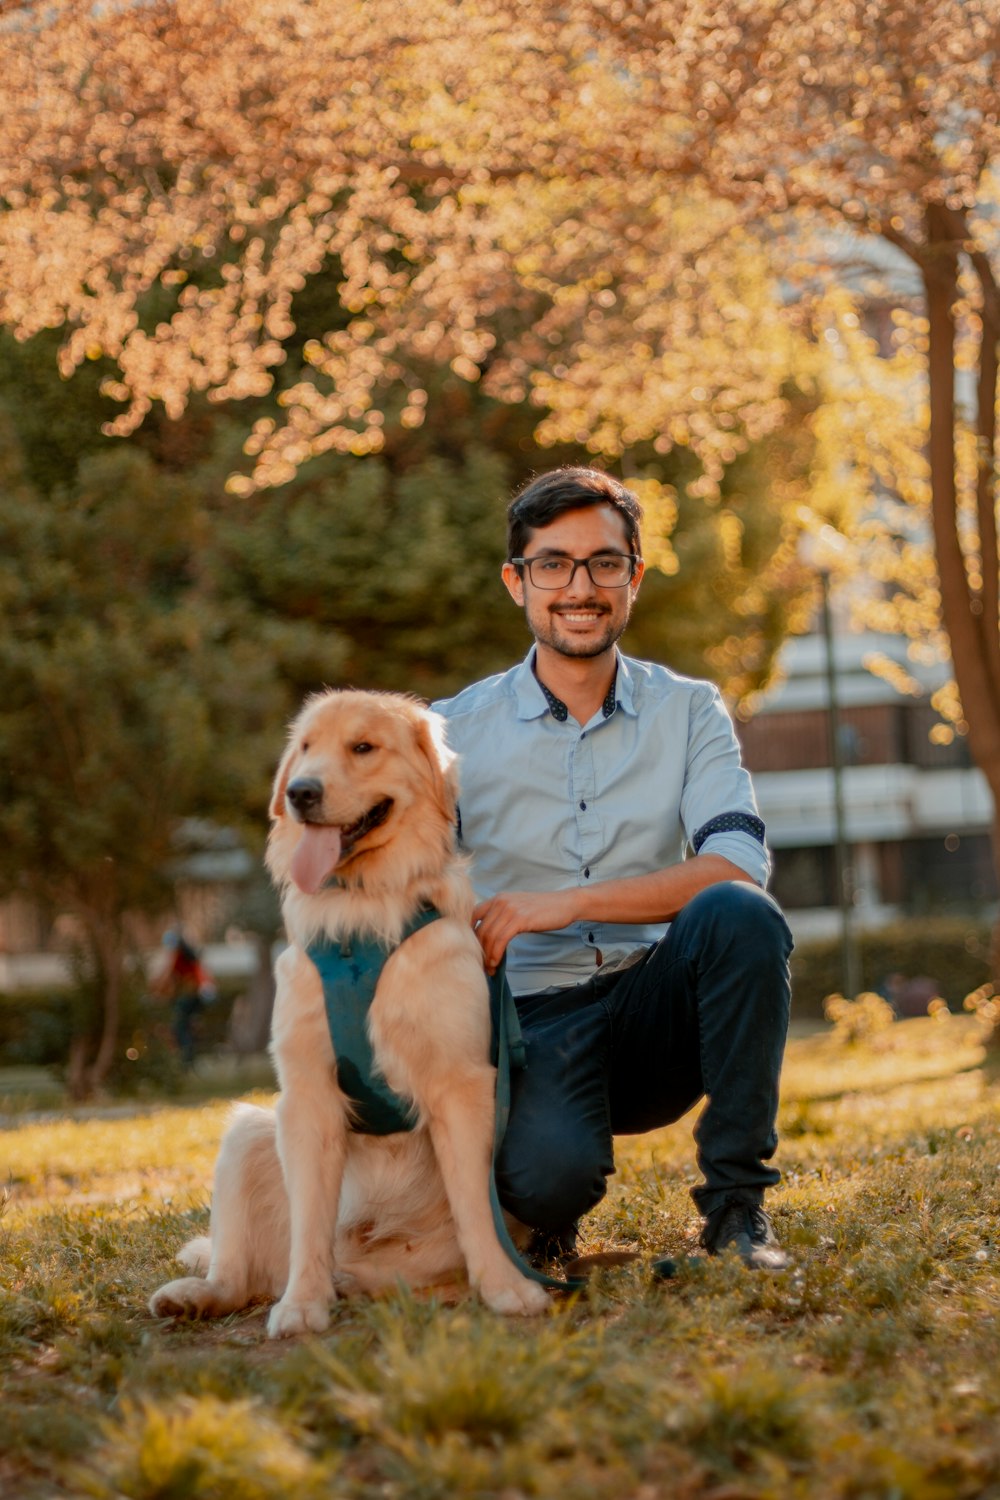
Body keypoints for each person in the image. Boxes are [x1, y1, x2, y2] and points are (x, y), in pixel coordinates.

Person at [433, 466, 793, 1271]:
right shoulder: (448, 731)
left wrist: (561, 904)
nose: (579, 587)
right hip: (529, 1026)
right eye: (552, 564)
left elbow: (736, 863)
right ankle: (543, 1203)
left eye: (603, 563)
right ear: (516, 582)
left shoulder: (690, 710)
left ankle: (737, 1207)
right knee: (545, 1186)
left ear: (633, 577)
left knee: (739, 914)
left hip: (656, 1015)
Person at [153, 930, 217, 1069]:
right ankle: (190, 1055)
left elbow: (168, 977)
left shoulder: (181, 957)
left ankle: (187, 1060)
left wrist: (159, 993)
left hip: (197, 995)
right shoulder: (189, 958)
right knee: (186, 1025)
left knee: (180, 1026)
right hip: (202, 995)